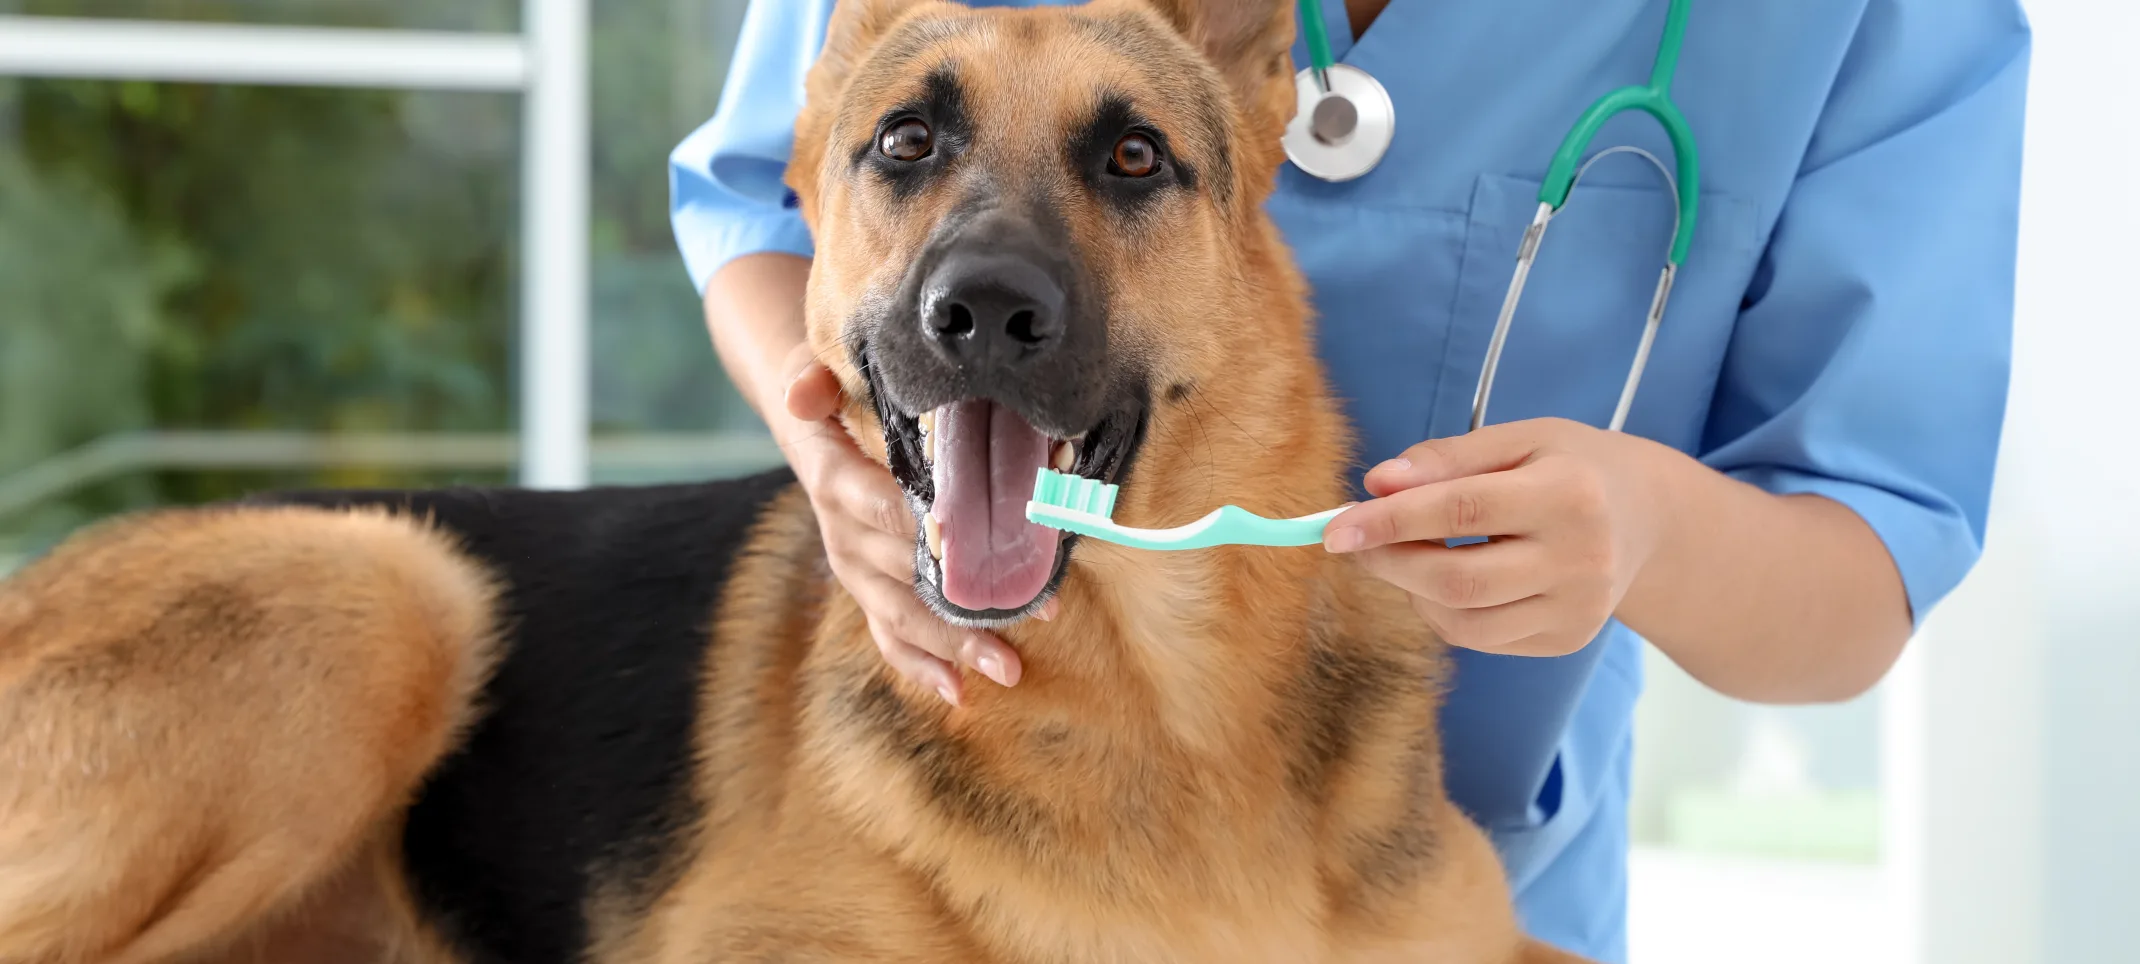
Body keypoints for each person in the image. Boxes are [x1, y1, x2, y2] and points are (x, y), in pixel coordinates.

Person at [668, 0, 2030, 958]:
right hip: (975, 799)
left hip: (1440, 879)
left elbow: (1866, 555)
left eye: (1132, 159)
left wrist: (1649, 527)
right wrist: (834, 443)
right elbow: (762, 206)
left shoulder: (1867, 24)